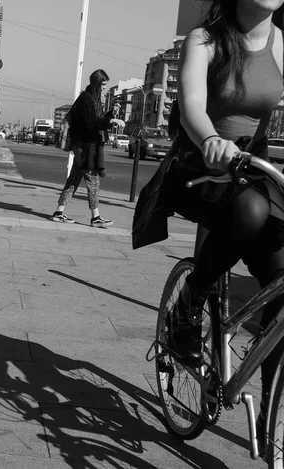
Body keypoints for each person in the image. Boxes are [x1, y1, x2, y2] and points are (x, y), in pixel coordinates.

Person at [161, 0, 284, 450]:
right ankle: (189, 304)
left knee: (280, 277)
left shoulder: (282, 45)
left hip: (254, 166)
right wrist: (211, 138)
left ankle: (273, 426)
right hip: (201, 162)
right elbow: (192, 104)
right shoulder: (206, 40)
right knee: (249, 212)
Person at [50, 69, 124, 226]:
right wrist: (110, 122)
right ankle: (95, 217)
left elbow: (98, 120)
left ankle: (59, 212)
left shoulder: (91, 99)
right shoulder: (86, 100)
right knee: (93, 180)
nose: (104, 87)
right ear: (97, 83)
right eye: (103, 84)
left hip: (83, 145)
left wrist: (111, 114)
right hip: (84, 146)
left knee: (74, 179)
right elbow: (91, 124)